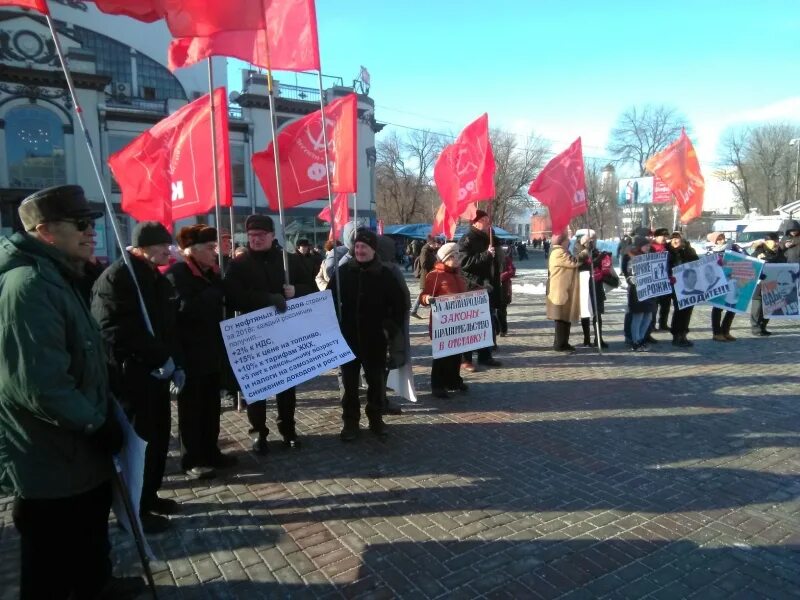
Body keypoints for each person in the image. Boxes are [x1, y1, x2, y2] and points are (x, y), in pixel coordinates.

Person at [0, 185, 144, 599]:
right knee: (50, 563)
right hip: (51, 458)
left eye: (92, 223)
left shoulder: (60, 277)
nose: (91, 232)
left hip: (77, 453)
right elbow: (38, 383)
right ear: (45, 232)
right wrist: (95, 423)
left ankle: (98, 584)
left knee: (88, 537)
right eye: (80, 224)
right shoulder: (29, 286)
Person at [92, 221, 184, 534]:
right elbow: (115, 329)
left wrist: (175, 361)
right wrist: (159, 357)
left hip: (157, 376)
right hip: (131, 378)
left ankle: (149, 495)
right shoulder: (119, 278)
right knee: (138, 443)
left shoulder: (155, 278)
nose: (167, 250)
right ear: (141, 247)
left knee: (157, 439)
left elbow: (167, 326)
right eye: (161, 245)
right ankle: (134, 509)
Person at [224, 214, 315, 454]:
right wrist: (265, 299)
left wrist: (296, 291)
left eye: (261, 235)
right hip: (254, 336)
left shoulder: (290, 261)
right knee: (256, 388)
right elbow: (233, 297)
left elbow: (313, 290)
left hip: (286, 333)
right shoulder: (239, 264)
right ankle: (258, 433)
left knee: (287, 386)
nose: (256, 239)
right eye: (252, 235)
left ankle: (288, 430)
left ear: (272, 236)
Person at [166, 225, 237, 480]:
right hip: (189, 355)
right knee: (191, 411)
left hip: (211, 353)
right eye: (209, 248)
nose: (214, 252)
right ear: (192, 251)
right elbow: (183, 311)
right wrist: (214, 292)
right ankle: (191, 459)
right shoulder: (178, 275)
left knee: (211, 406)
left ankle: (210, 451)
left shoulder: (211, 273)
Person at [329, 229, 405, 441]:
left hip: (375, 339)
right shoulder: (342, 273)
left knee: (376, 383)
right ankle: (350, 423)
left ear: (373, 249)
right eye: (358, 246)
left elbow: (398, 306)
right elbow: (328, 301)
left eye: (365, 247)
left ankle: (376, 419)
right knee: (349, 385)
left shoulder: (385, 274)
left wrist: (388, 328)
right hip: (348, 338)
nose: (360, 250)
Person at [419, 242, 469, 398]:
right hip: (441, 323)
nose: (456, 259)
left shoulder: (459, 275)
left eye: (457, 255)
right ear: (445, 259)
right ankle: (438, 385)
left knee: (456, 354)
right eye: (452, 256)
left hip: (458, 321)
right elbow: (422, 297)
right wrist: (428, 299)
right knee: (442, 356)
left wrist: (482, 291)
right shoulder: (434, 276)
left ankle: (453, 380)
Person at [458, 210, 502, 369]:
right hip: (473, 287)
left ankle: (485, 355)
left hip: (488, 286)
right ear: (475, 222)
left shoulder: (488, 237)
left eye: (488, 218)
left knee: (486, 323)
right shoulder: (467, 239)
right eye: (484, 219)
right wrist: (485, 255)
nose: (488, 221)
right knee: (471, 324)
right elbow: (464, 263)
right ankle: (466, 359)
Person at [575, 230, 610, 349]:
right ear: (584, 242)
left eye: (594, 241)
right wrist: (598, 258)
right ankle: (586, 338)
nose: (593, 243)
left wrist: (605, 259)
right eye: (590, 241)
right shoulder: (580, 253)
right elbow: (584, 266)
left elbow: (601, 266)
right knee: (586, 313)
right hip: (586, 285)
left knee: (597, 314)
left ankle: (598, 338)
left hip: (597, 285)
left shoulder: (596, 252)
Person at [546, 232, 581, 352]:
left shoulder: (562, 252)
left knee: (566, 317)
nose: (569, 242)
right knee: (561, 318)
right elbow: (574, 262)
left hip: (564, 290)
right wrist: (583, 251)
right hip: (559, 291)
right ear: (562, 241)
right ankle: (559, 344)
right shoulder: (558, 252)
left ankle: (564, 342)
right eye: (567, 240)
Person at [622, 236, 656, 351]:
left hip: (648, 290)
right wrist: (633, 279)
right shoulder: (631, 257)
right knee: (638, 316)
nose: (648, 247)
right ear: (639, 246)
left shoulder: (650, 256)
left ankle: (641, 338)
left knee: (648, 316)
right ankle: (635, 341)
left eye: (648, 245)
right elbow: (628, 274)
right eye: (645, 245)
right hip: (636, 291)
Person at [707, 232, 742, 342]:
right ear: (714, 241)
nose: (721, 240)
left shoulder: (733, 247)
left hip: (733, 279)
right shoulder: (710, 251)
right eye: (718, 239)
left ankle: (726, 331)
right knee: (718, 307)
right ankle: (717, 333)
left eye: (722, 238)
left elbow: (744, 257)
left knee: (732, 306)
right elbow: (706, 267)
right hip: (718, 282)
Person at [667, 231, 699, 347]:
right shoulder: (668, 252)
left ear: (682, 239)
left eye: (677, 238)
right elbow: (664, 267)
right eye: (673, 238)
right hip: (676, 285)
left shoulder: (689, 251)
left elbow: (698, 264)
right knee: (679, 309)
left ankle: (684, 333)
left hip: (689, 284)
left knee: (688, 309)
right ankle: (676, 335)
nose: (675, 241)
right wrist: (669, 277)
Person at [750, 233, 786, 336]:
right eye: (774, 241)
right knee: (757, 307)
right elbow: (751, 266)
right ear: (766, 242)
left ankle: (763, 326)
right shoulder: (758, 252)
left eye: (777, 240)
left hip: (773, 284)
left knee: (770, 306)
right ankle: (755, 328)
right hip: (759, 285)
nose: (776, 243)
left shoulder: (780, 253)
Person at [410, 235, 442, 319]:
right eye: (435, 244)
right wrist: (434, 263)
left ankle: (414, 310)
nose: (436, 246)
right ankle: (414, 310)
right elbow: (423, 264)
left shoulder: (430, 250)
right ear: (431, 243)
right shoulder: (425, 251)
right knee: (423, 292)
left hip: (430, 275)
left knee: (428, 292)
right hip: (426, 275)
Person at [651, 228, 672, 331]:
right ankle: (652, 324)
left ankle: (663, 323)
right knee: (654, 305)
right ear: (656, 237)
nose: (664, 238)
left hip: (666, 279)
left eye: (666, 236)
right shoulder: (651, 247)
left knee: (666, 304)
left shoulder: (668, 248)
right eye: (662, 236)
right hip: (654, 280)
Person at [498, 244, 516, 336]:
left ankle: (503, 329)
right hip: (492, 287)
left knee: (502, 310)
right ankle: (496, 329)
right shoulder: (489, 258)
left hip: (504, 288)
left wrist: (502, 276)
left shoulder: (506, 259)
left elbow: (512, 271)